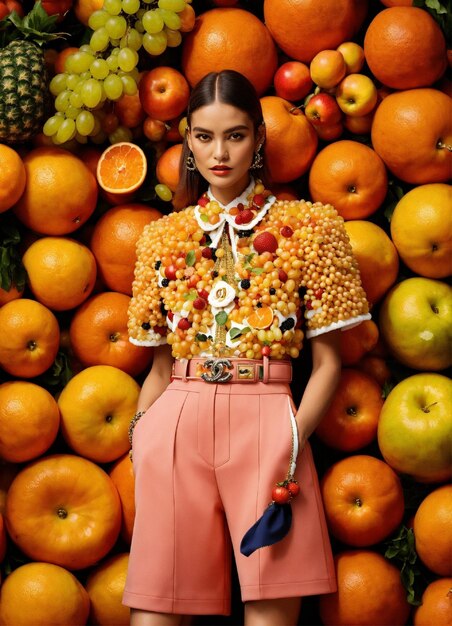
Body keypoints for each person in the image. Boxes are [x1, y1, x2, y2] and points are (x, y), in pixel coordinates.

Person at [123, 70, 371, 626]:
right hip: (176, 423)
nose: (219, 152)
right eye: (205, 136)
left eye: (235, 135)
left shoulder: (310, 226)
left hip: (268, 421)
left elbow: (331, 360)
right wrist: (142, 441)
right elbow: (159, 367)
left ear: (259, 137)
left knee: (273, 612)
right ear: (186, 138)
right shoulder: (161, 237)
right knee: (156, 614)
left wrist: (292, 437)